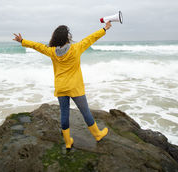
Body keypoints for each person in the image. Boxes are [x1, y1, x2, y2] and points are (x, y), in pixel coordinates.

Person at [13, 21, 111, 150]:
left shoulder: (52, 51)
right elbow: (92, 38)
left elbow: (37, 46)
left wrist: (22, 41)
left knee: (64, 114)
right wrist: (105, 29)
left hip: (61, 88)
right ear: (67, 37)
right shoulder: (76, 48)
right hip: (75, 87)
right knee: (85, 112)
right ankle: (97, 134)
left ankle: (67, 142)